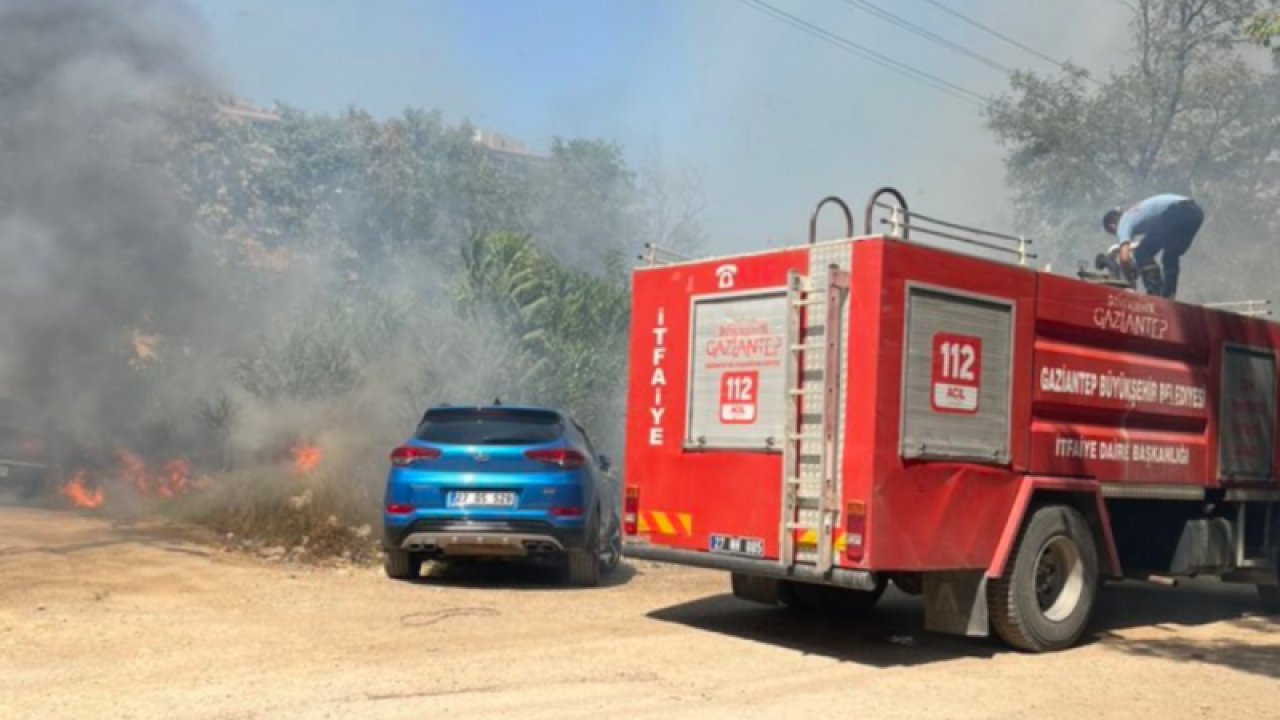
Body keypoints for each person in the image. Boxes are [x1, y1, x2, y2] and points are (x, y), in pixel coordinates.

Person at [1102, 194, 1203, 299]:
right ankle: (1169, 295)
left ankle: (1155, 292)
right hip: (1195, 213)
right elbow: (1151, 241)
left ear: (1112, 226)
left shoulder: (1124, 220)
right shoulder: (1139, 215)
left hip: (1176, 211)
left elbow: (1124, 258)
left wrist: (1129, 282)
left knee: (1142, 252)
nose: (1117, 234)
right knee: (1170, 256)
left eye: (1113, 233)